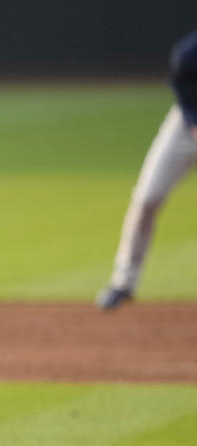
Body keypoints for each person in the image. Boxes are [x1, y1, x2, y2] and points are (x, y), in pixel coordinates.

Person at [96, 29, 197, 310]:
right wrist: (193, 123)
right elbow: (184, 92)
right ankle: (123, 282)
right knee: (147, 197)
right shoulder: (188, 53)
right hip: (185, 130)